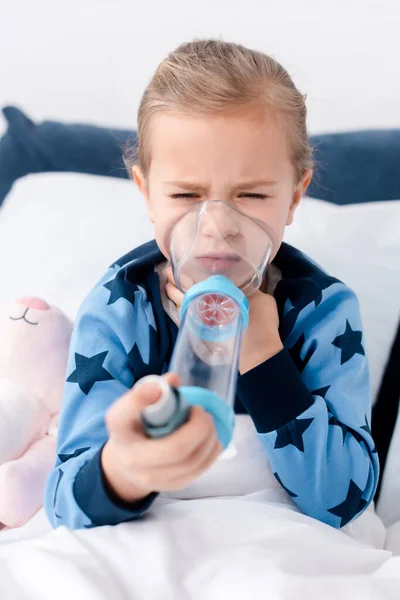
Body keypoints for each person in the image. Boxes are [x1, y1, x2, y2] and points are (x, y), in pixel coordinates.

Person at [44, 39, 378, 530]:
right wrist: (126, 469)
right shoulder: (121, 308)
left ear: (294, 195)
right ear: (147, 193)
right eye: (186, 194)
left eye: (253, 193)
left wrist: (263, 354)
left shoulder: (322, 312)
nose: (218, 225)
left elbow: (343, 498)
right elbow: (64, 503)